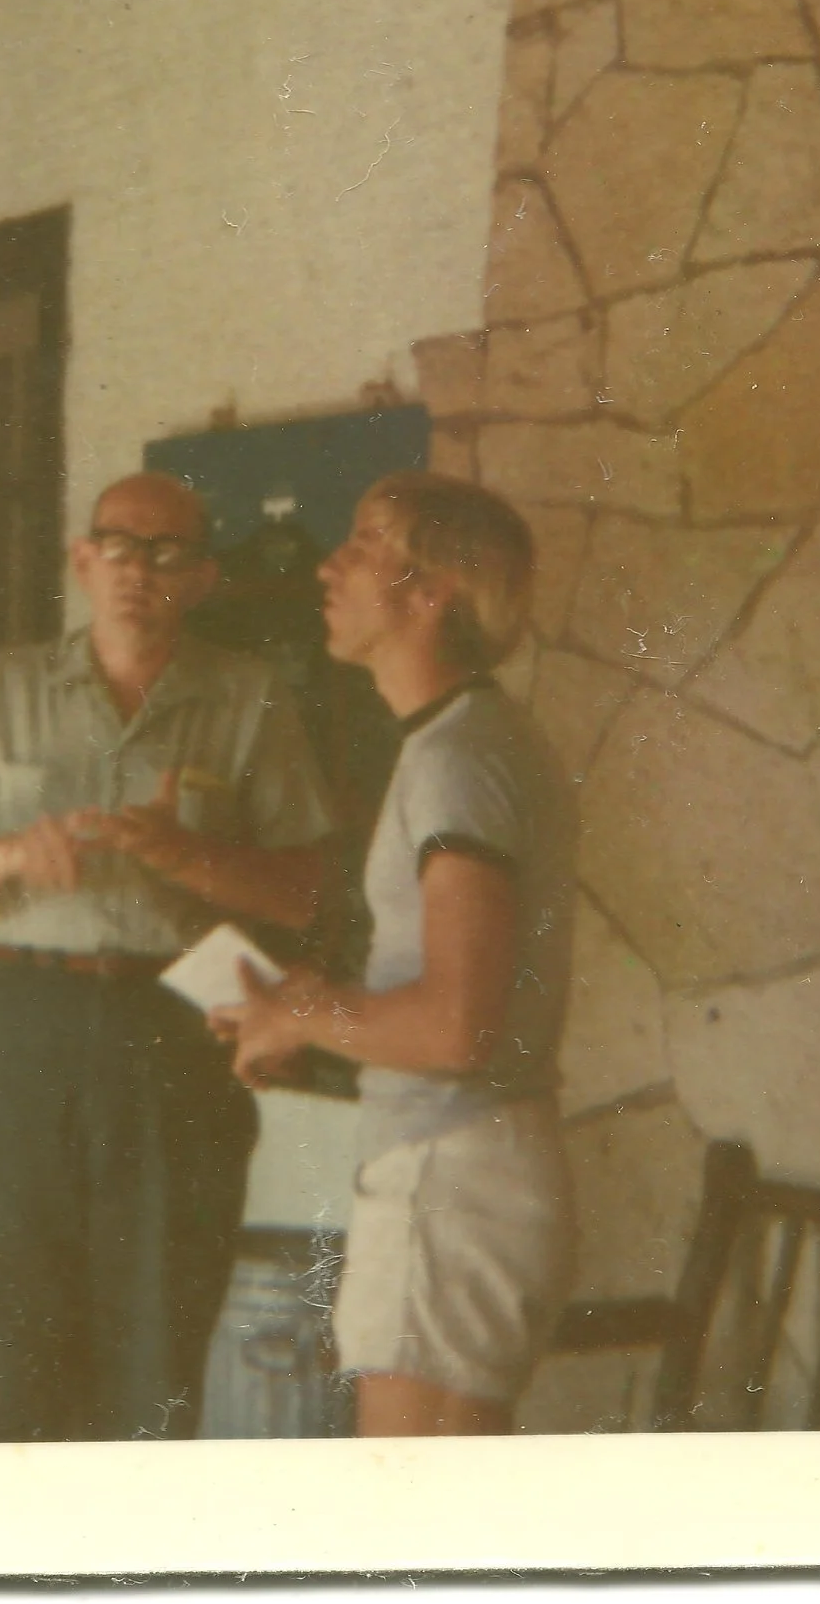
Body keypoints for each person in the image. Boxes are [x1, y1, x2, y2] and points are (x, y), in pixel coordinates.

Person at [0, 469, 336, 1443]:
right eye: (120, 547)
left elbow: (301, 894)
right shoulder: (7, 687)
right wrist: (8, 854)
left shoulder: (248, 697)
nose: (140, 570)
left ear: (203, 577)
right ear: (82, 561)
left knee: (151, 1337)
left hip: (171, 1032)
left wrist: (187, 855)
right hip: (18, 1024)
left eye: (168, 552)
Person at [215, 470, 574, 1436]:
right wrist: (305, 1014)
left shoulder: (459, 759)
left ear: (431, 593)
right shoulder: (462, 742)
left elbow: (457, 1027)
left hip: (450, 1184)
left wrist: (300, 1011)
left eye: (365, 545)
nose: (328, 567)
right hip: (456, 1170)